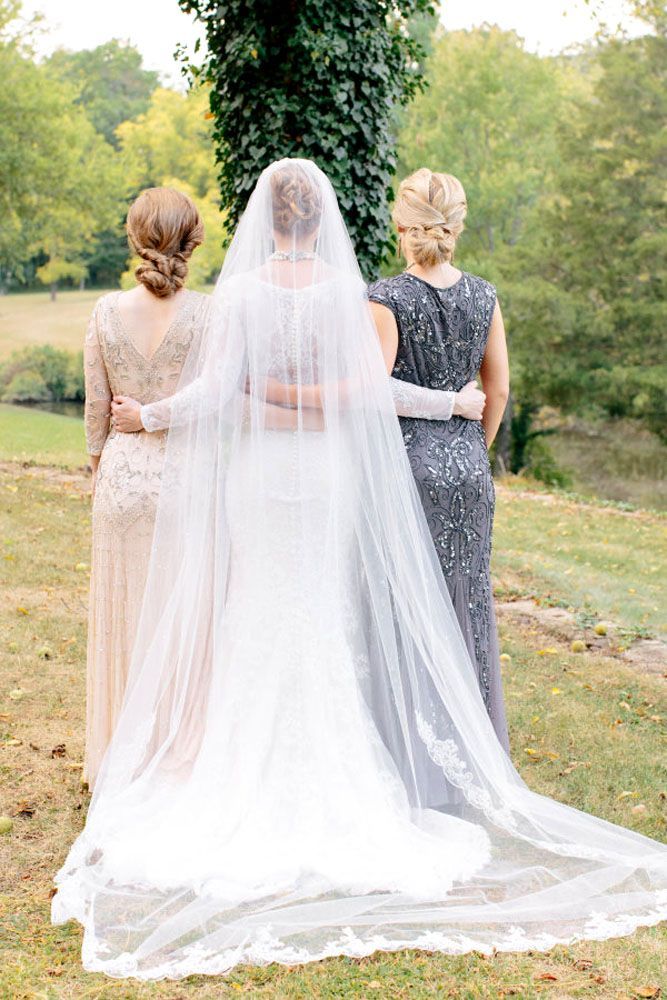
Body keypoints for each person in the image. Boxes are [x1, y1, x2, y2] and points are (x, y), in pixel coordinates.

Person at [53, 160, 667, 980]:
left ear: (268, 225)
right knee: (318, 607)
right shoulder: (351, 292)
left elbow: (224, 394)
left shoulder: (240, 298)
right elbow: (358, 393)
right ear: (322, 223)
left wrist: (241, 400)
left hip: (265, 473)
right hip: (325, 475)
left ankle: (240, 768)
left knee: (262, 608)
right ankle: (341, 772)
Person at [369, 168, 510, 750]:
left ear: (402, 227)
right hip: (470, 468)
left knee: (408, 600)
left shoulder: (385, 298)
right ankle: (473, 746)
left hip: (405, 466)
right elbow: (496, 390)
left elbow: (373, 390)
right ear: (455, 225)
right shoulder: (484, 295)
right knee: (468, 599)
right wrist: (473, 442)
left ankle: (411, 748)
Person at [81, 187, 208, 786]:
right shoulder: (208, 314)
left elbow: (95, 411)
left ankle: (119, 758)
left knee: (124, 616)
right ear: (192, 241)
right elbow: (216, 405)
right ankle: (177, 755)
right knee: (179, 620)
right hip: (185, 480)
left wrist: (98, 464)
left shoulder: (106, 311)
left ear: (136, 239)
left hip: (123, 478)